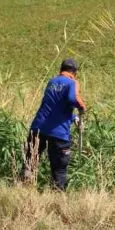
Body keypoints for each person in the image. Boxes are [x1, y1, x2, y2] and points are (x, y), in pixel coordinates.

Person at [23, 58, 87, 189]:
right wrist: (81, 107)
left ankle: (23, 190)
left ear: (61, 69)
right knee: (59, 169)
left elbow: (54, 105)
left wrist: (73, 117)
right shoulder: (72, 82)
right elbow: (72, 98)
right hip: (58, 132)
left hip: (38, 128)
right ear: (74, 72)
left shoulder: (52, 82)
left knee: (29, 163)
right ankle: (57, 197)